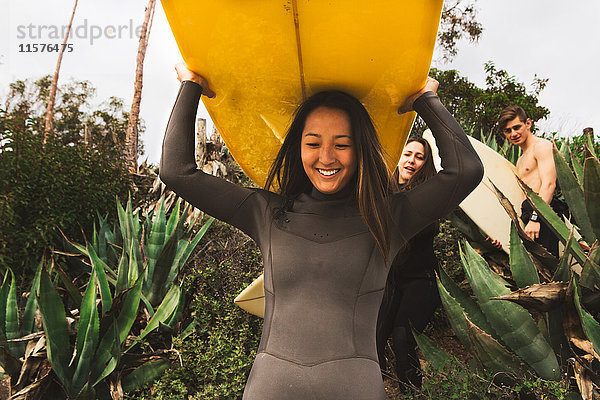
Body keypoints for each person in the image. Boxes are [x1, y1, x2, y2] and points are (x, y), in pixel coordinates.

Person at [160, 63, 483, 400]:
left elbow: (466, 170)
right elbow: (177, 172)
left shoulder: (387, 217)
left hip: (354, 387)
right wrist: (190, 86)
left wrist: (425, 99)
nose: (326, 157)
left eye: (342, 144)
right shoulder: (267, 212)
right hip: (271, 387)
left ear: (360, 150)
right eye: (312, 143)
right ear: (297, 148)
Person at [376, 137, 440, 390]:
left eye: (419, 157)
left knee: (403, 337)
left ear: (425, 164)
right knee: (375, 339)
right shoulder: (382, 191)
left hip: (420, 280)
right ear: (398, 157)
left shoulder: (427, 195)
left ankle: (412, 392)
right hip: (390, 280)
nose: (411, 160)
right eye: (407, 154)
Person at [497, 105, 561, 256]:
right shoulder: (520, 160)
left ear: (528, 123)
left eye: (517, 127)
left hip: (544, 212)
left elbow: (549, 184)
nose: (513, 134)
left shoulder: (541, 146)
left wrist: (535, 218)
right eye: (508, 131)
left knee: (548, 266)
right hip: (529, 213)